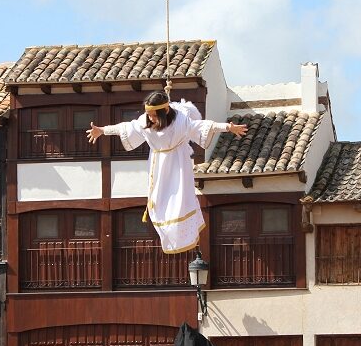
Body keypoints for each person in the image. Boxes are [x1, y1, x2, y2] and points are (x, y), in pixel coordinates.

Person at [87, 90, 247, 254]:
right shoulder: (144, 122)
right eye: (148, 114)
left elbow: (203, 125)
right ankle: (166, 231)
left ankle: (185, 231)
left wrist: (228, 127)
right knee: (159, 201)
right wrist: (102, 130)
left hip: (178, 163)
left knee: (179, 198)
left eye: (154, 115)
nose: (150, 118)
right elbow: (126, 127)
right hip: (158, 165)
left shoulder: (181, 122)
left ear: (165, 112)